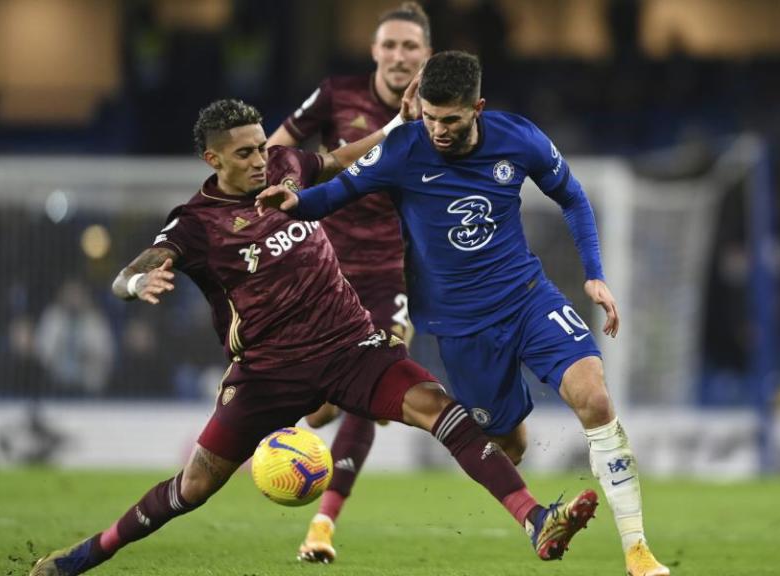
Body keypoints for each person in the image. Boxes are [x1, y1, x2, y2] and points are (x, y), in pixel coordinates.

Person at [29, 97, 598, 576]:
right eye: (245, 152)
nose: (260, 160)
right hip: (268, 373)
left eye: (261, 146)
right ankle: (80, 559)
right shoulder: (196, 224)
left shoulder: (284, 167)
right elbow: (131, 269)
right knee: (195, 486)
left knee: (444, 413)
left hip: (353, 347)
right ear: (213, 158)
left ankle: (536, 520)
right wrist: (136, 283)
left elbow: (339, 160)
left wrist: (397, 128)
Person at [256, 51, 671, 576]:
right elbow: (333, 194)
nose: (438, 130)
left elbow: (573, 197)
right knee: (509, 446)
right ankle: (538, 510)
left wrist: (594, 273)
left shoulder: (518, 138)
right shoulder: (403, 149)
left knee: (593, 396)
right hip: (462, 330)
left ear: (477, 107)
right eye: (429, 117)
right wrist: (293, 201)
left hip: (527, 298)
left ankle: (638, 552)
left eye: (450, 119)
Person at [267, 2, 431, 563]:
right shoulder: (337, 94)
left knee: (375, 397)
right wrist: (313, 170)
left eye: (410, 46)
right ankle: (291, 435)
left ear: (426, 56)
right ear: (374, 52)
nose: (399, 55)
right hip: (322, 271)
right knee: (322, 411)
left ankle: (322, 525)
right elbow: (272, 151)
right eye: (390, 45)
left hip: (389, 273)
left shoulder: (441, 115)